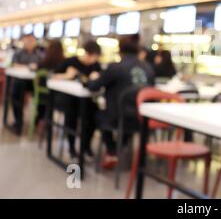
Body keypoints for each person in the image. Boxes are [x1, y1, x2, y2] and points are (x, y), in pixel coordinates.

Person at [87, 34, 155, 168]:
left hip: (118, 117)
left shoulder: (115, 67)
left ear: (120, 50)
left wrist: (92, 77)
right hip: (143, 119)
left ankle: (112, 151)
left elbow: (94, 86)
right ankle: (121, 146)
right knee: (127, 117)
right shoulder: (148, 68)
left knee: (97, 115)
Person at [53, 40, 102, 159]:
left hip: (87, 101)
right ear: (87, 53)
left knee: (94, 118)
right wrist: (67, 76)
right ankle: (71, 147)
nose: (94, 60)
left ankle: (86, 146)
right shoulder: (71, 62)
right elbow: (53, 76)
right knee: (71, 117)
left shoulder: (96, 66)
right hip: (69, 98)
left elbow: (100, 81)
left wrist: (97, 77)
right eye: (93, 56)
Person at [11, 34, 42, 134]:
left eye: (31, 41)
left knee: (44, 97)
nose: (29, 43)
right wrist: (29, 67)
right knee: (16, 96)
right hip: (20, 81)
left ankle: (37, 120)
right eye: (27, 41)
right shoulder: (18, 53)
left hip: (34, 82)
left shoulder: (39, 54)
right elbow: (14, 65)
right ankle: (18, 122)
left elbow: (42, 67)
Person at [35, 40, 66, 124]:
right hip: (58, 95)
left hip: (42, 94)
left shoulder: (44, 61)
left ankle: (39, 118)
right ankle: (48, 122)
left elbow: (36, 69)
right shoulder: (64, 62)